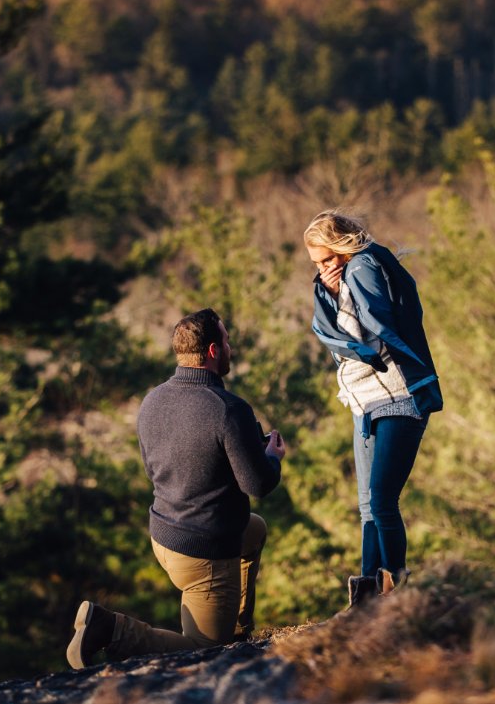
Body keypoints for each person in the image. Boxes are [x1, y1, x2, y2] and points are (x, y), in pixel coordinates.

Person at [66, 308, 288, 668]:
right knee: (203, 650)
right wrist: (273, 457)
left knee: (254, 530)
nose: (231, 346)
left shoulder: (152, 401)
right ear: (214, 352)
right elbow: (258, 484)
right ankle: (108, 628)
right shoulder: (228, 409)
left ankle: (236, 628)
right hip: (205, 553)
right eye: (227, 340)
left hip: (164, 535)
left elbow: (165, 467)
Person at [303, 210, 441, 608]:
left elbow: (371, 328)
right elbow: (340, 333)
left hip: (397, 393)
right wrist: (329, 292)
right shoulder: (344, 277)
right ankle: (366, 595)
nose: (325, 269)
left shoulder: (363, 266)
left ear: (344, 245)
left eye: (329, 259)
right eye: (317, 264)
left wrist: (373, 349)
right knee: (368, 504)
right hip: (366, 400)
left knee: (380, 499)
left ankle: (395, 590)